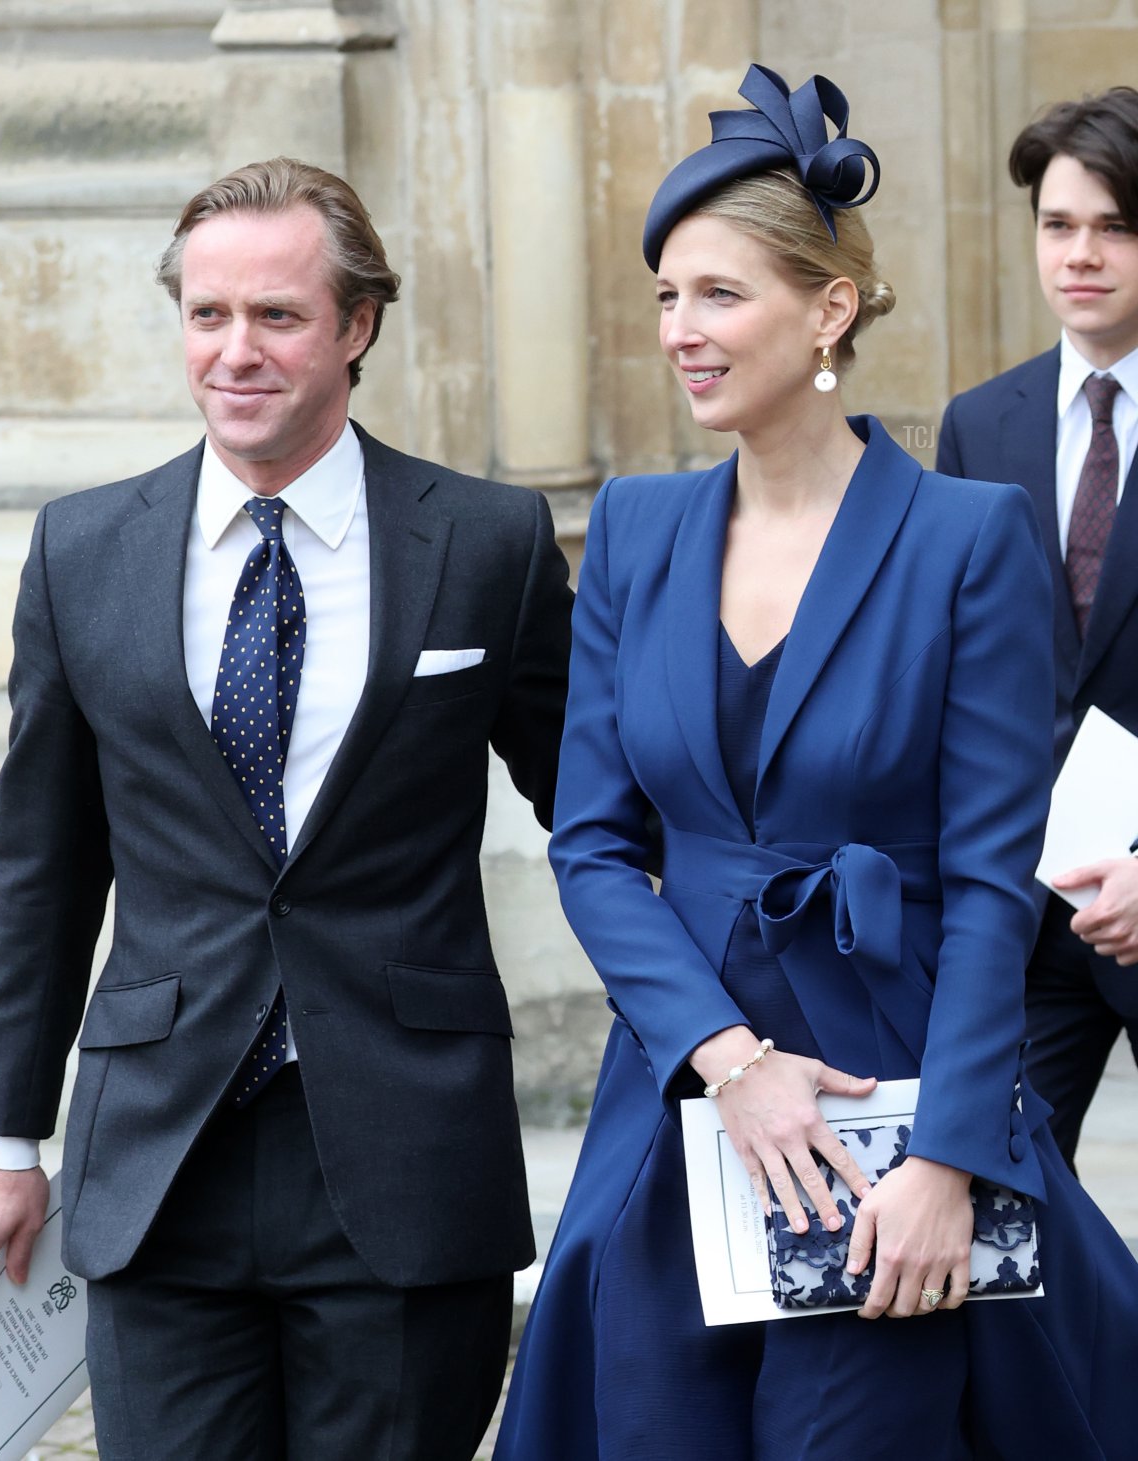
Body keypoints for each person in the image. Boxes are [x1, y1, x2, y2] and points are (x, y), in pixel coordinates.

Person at [495, 65, 1138, 1461]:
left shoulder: (969, 536)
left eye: (719, 295)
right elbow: (595, 847)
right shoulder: (637, 526)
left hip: (887, 1099)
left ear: (828, 308)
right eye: (666, 296)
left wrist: (949, 1160)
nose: (680, 331)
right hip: (689, 1092)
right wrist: (728, 1061)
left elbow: (986, 883)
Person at [0, 157, 572, 1461]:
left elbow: (603, 812)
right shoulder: (81, 551)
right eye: (206, 314)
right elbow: (44, 872)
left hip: (404, 1158)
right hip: (158, 1164)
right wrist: (6, 1139)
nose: (235, 350)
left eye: (277, 316)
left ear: (356, 327)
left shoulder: (489, 543)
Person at [937, 88, 1138, 1169]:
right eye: (1060, 226)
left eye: (1115, 226)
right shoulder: (981, 423)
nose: (1083, 254)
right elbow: (964, 673)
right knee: (995, 1205)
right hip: (1025, 912)